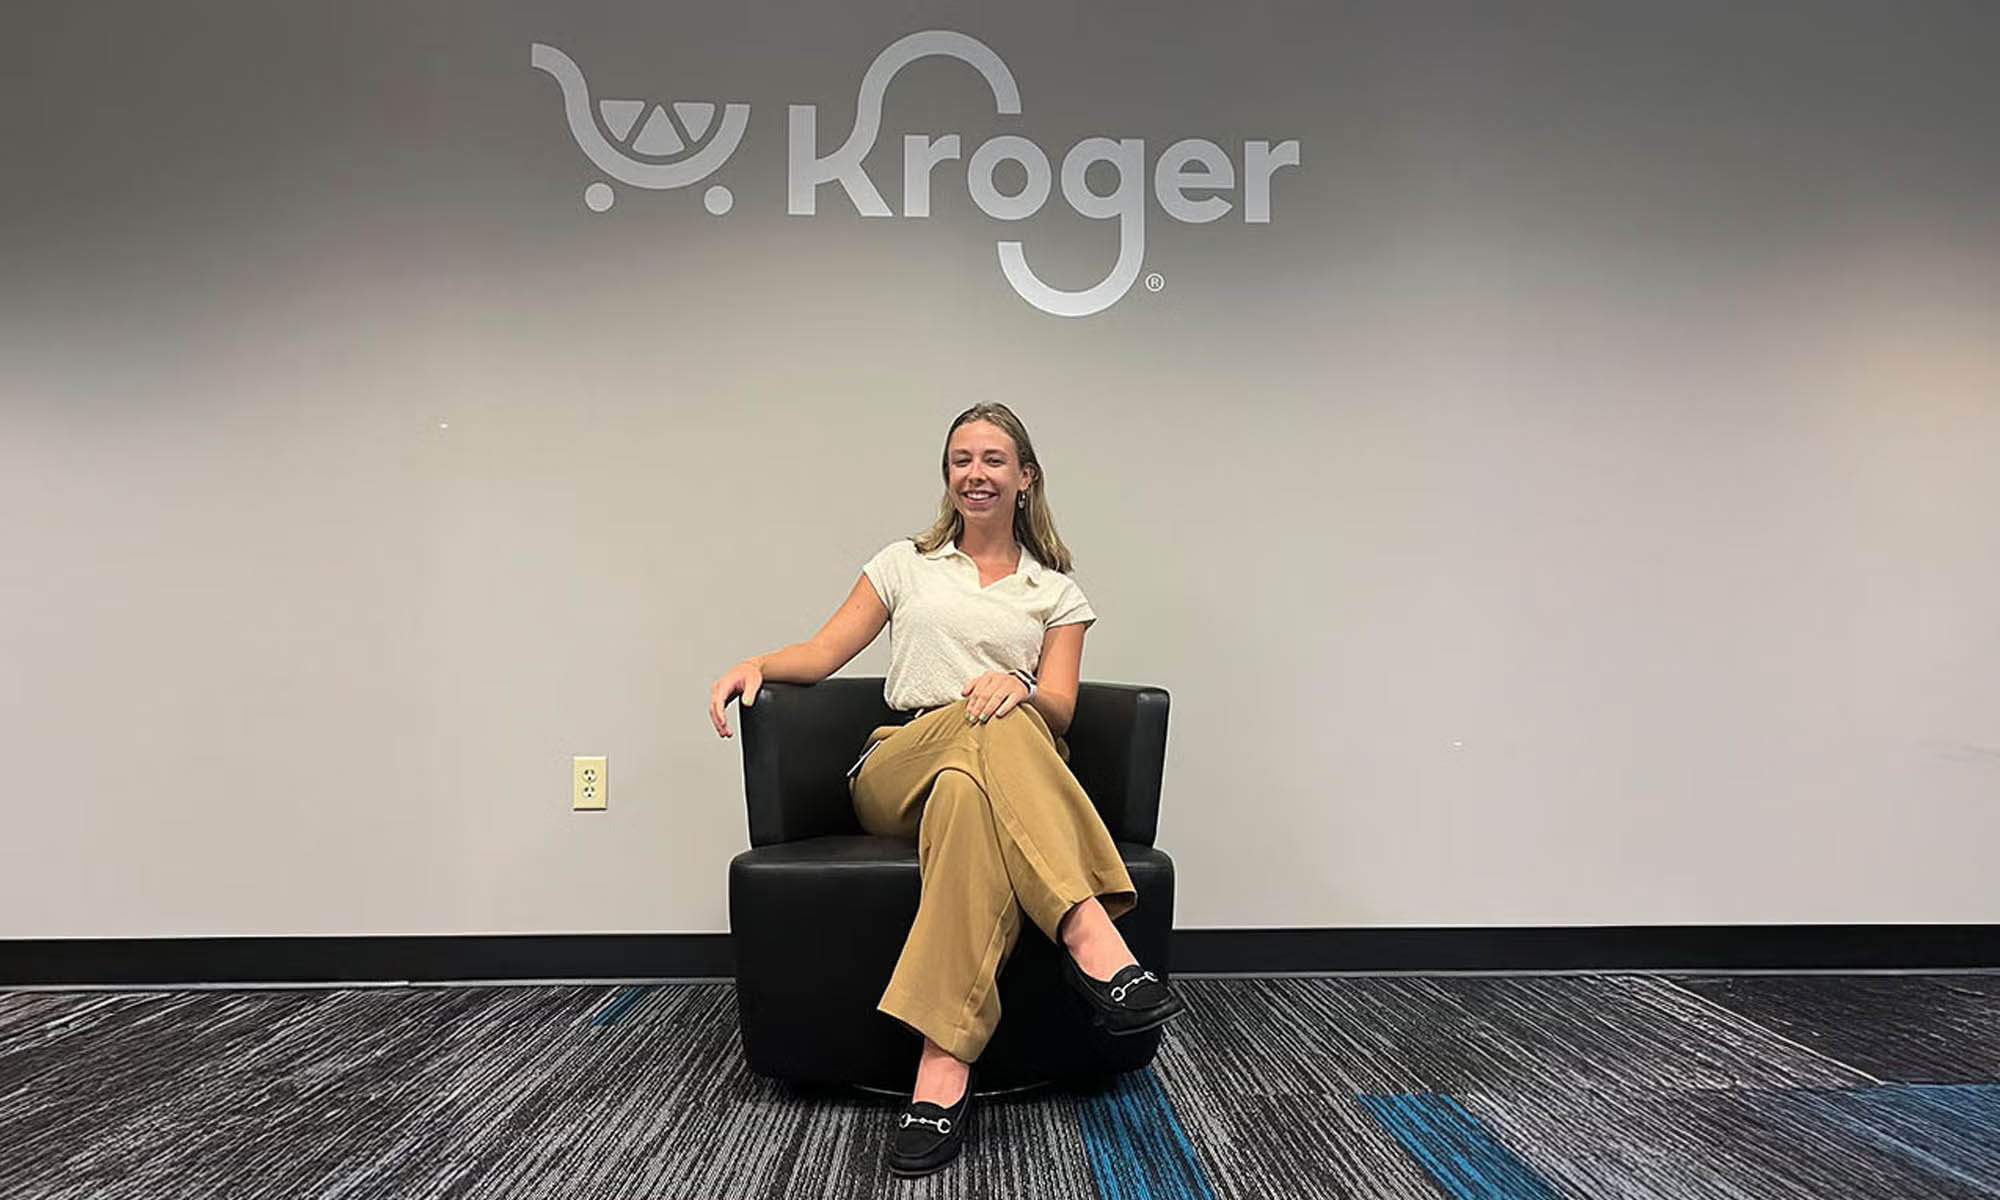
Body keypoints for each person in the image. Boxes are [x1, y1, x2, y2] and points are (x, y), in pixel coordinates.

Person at [707, 403, 1186, 1178]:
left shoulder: (1054, 590)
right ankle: (1090, 930)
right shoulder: (906, 563)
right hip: (901, 765)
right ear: (948, 476)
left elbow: (1060, 707)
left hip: (996, 765)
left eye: (993, 460)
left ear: (1025, 478)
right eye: (962, 459)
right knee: (983, 718)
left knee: (974, 779)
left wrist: (1019, 687)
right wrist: (756, 664)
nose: (976, 473)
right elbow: (824, 651)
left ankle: (941, 1066)